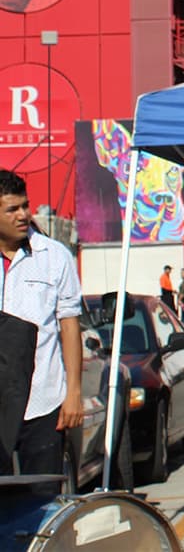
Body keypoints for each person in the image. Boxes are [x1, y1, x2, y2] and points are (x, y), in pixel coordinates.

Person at [0, 170, 83, 478]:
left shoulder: (54, 256)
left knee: (41, 502)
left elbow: (70, 325)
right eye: (12, 209)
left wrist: (73, 392)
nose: (23, 215)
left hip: (43, 402)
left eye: (25, 206)